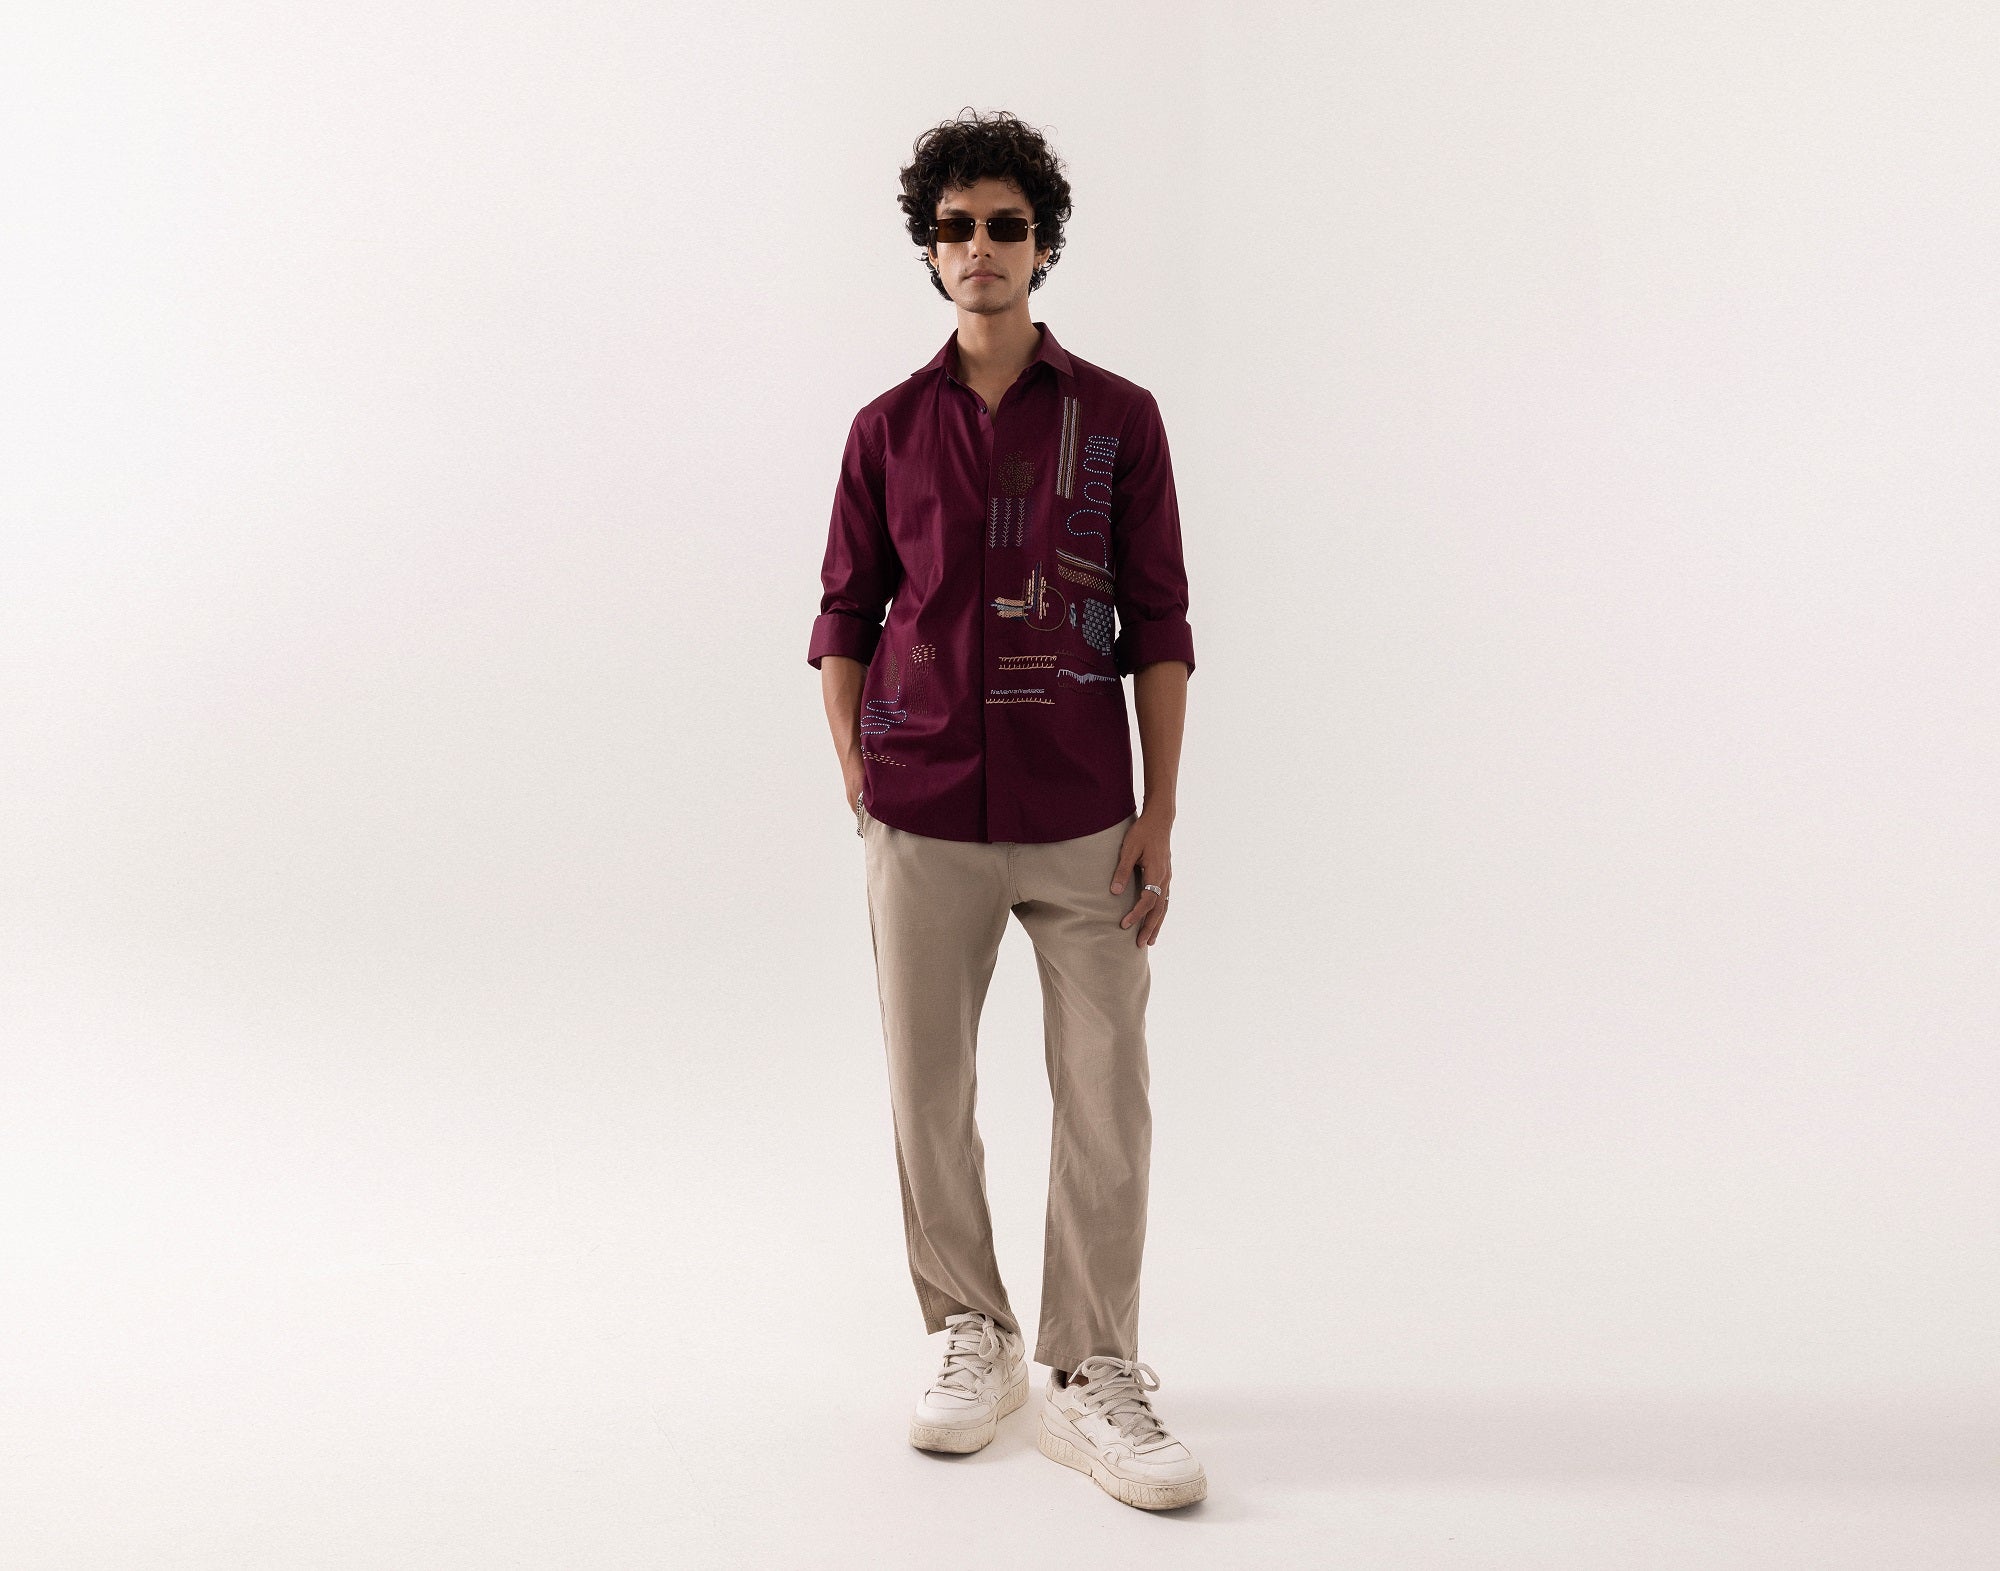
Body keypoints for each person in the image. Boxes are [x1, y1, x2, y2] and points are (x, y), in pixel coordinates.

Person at [807, 108, 1205, 1512]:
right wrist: (858, 770)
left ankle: (1092, 1368)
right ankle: (968, 1330)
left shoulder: (1121, 421)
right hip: (922, 811)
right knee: (929, 1085)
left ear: (1042, 247)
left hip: (1084, 808)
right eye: (957, 226)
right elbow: (846, 611)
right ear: (931, 250)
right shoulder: (886, 430)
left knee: (1108, 1088)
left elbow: (1159, 622)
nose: (980, 246)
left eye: (1007, 226)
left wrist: (1160, 812)